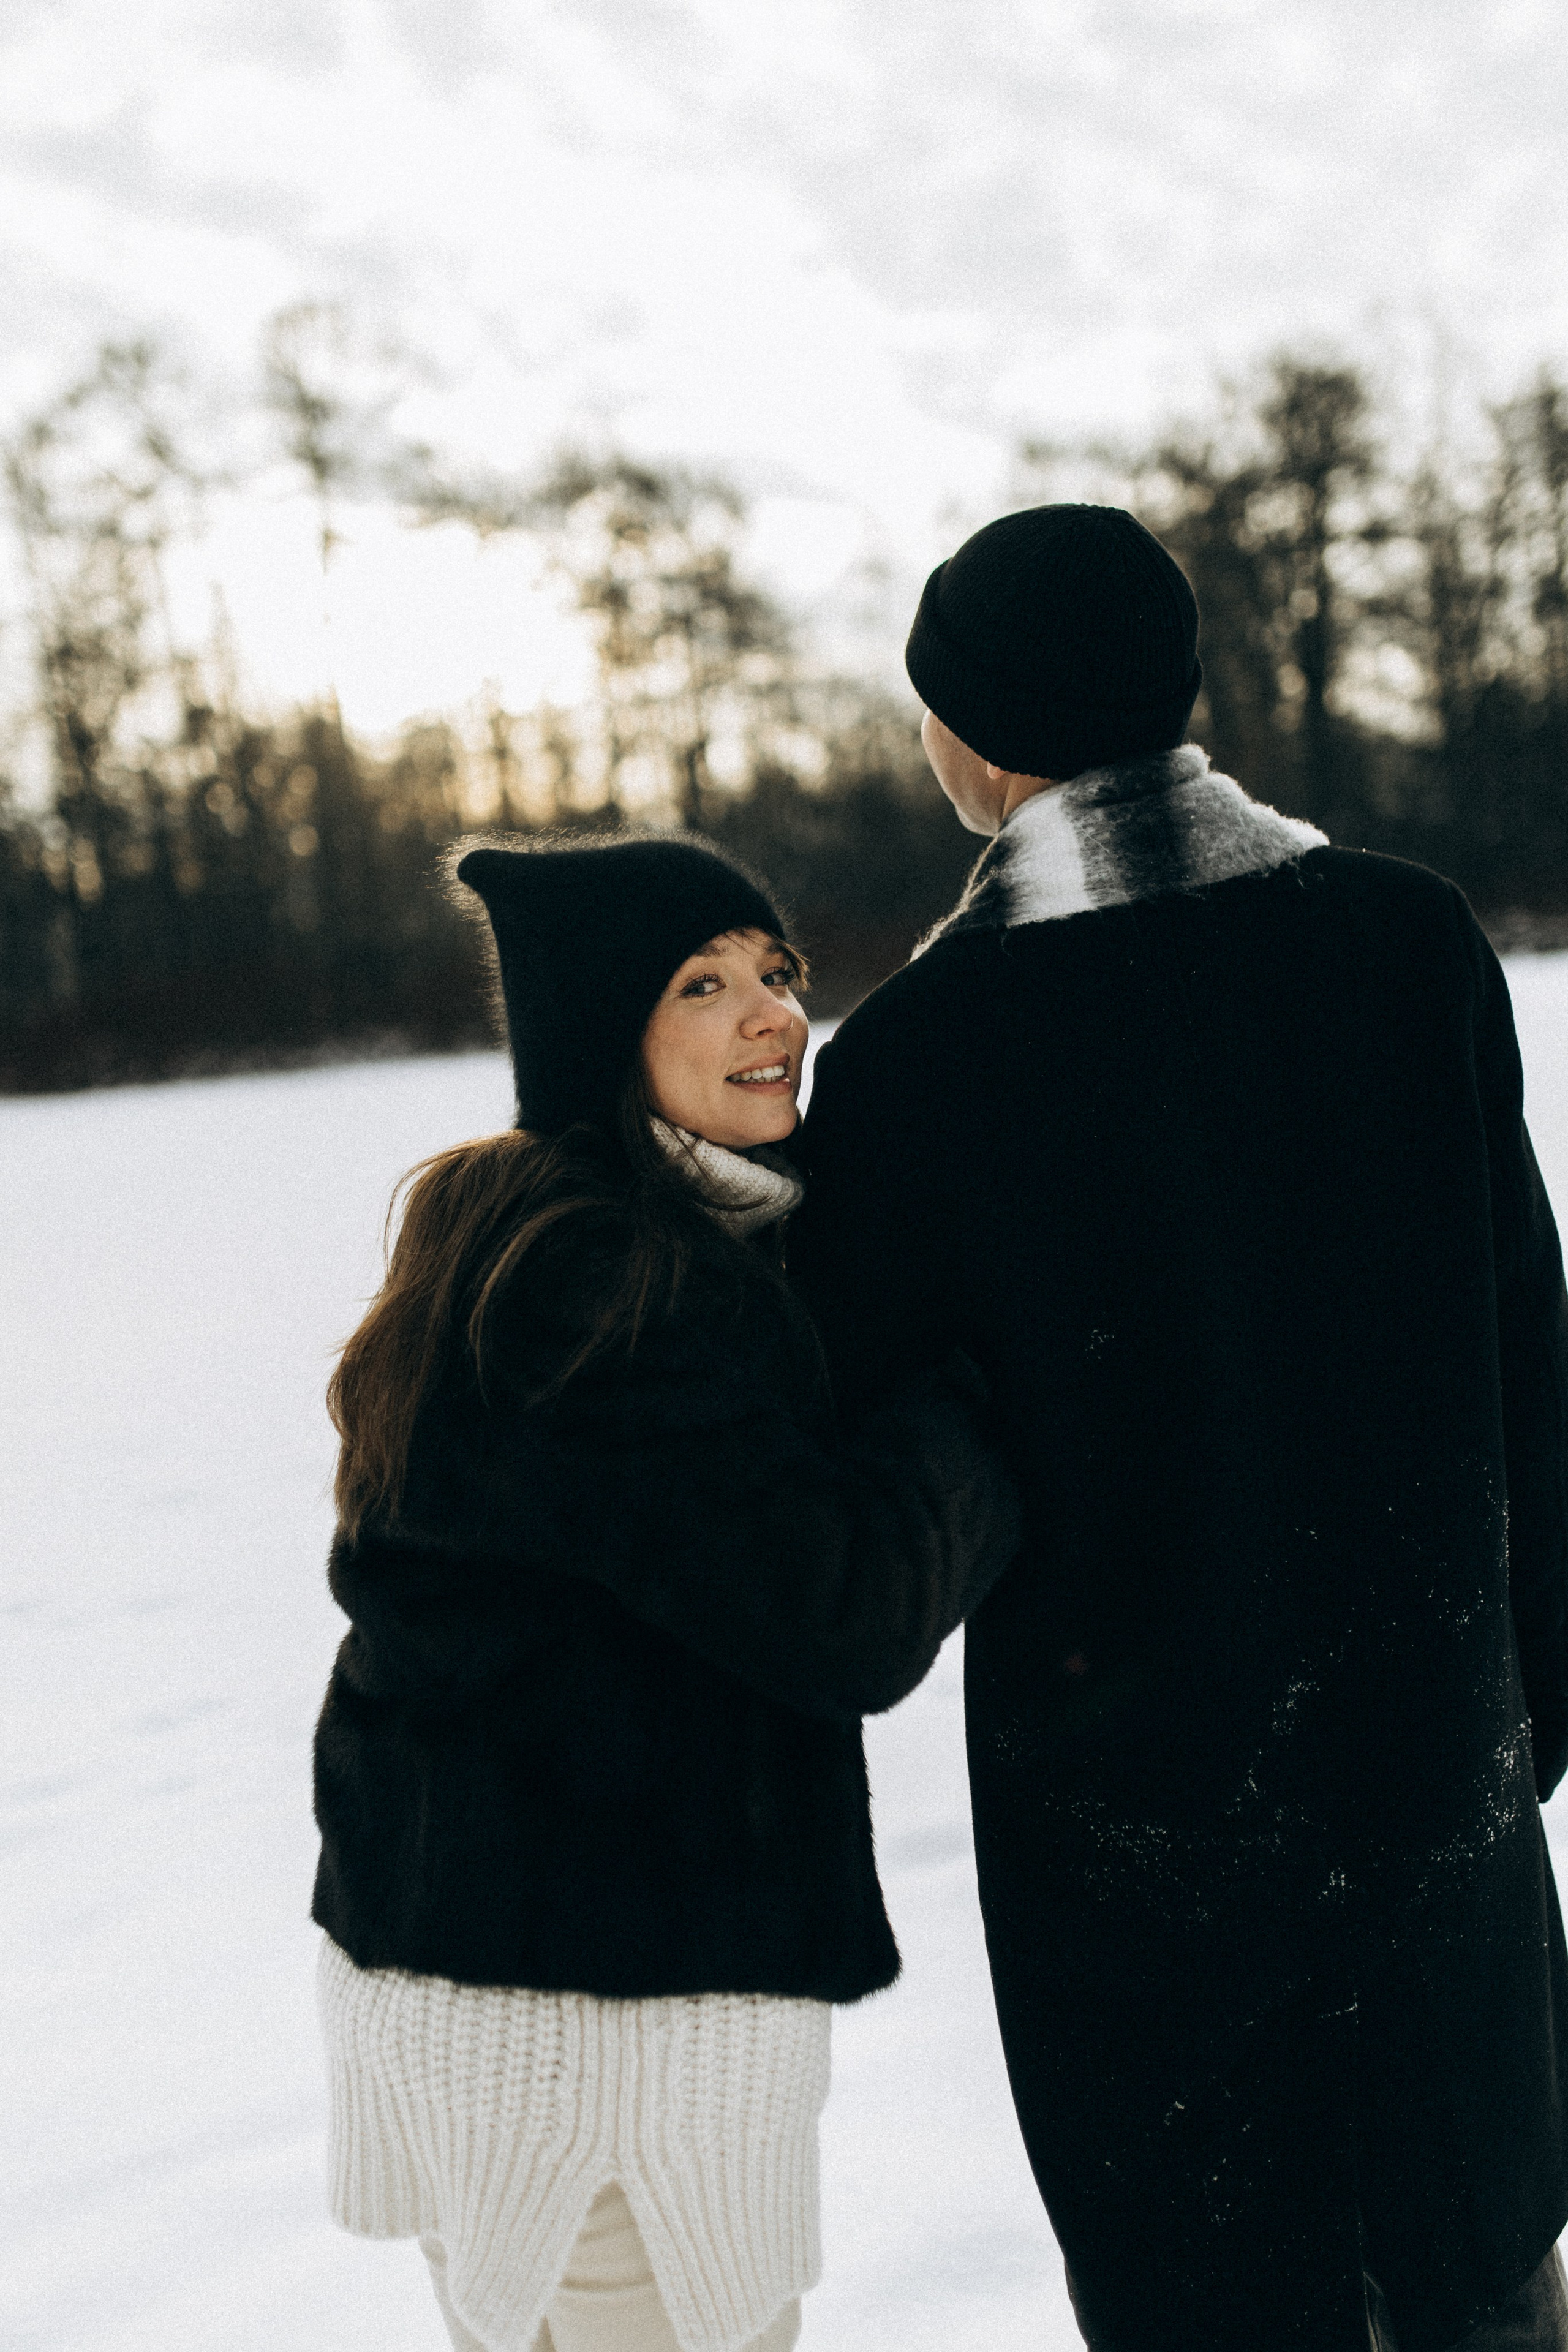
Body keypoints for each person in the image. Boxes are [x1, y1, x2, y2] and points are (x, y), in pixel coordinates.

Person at [788, 503, 1568, 2352]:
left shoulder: (914, 1063)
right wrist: (1521, 1711)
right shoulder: (1406, 943)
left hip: (1137, 1864)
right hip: (1429, 1779)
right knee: (1483, 2288)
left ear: (975, 745)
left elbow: (871, 1459)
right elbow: (1531, 1352)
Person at [309, 832, 1021, 2352]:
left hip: (514, 1993)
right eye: (702, 984)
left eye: (777, 972)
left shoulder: (573, 1247)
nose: (773, 1014)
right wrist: (973, 1401)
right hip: (587, 2052)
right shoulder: (598, 1291)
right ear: (598, 1040)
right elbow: (845, 1608)